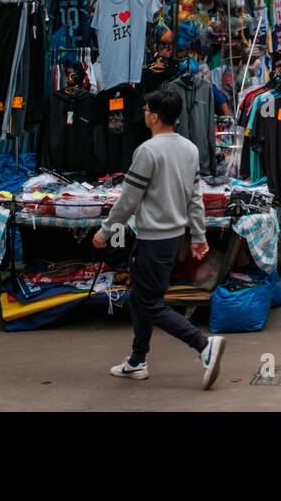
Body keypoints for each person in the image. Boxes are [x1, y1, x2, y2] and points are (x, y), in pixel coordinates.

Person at [96, 90, 227, 386]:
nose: (143, 113)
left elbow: (128, 201)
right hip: (171, 237)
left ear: (154, 116)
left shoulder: (148, 151)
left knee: (151, 303)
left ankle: (204, 346)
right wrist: (197, 235)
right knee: (138, 299)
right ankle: (137, 360)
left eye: (145, 109)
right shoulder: (189, 149)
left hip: (153, 239)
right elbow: (195, 198)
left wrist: (104, 231)